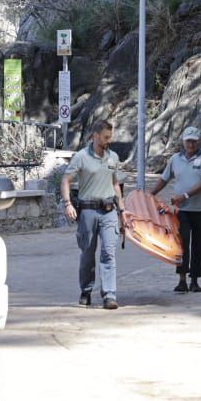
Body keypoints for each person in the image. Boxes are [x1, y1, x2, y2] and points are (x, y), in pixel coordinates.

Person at [60, 120, 130, 310]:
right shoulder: (81, 157)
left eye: (110, 137)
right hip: (88, 211)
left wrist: (122, 211)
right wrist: (68, 204)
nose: (108, 140)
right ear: (95, 136)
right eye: (105, 137)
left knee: (109, 252)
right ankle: (86, 290)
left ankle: (109, 294)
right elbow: (66, 180)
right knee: (88, 254)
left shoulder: (113, 157)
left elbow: (115, 184)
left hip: (108, 211)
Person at [151, 125, 201, 293]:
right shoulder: (175, 159)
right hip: (182, 211)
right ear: (183, 141)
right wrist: (150, 194)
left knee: (200, 244)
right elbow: (164, 179)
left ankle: (195, 280)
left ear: (198, 142)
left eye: (194, 141)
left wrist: (185, 195)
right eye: (188, 141)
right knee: (181, 244)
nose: (191, 145)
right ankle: (181, 279)